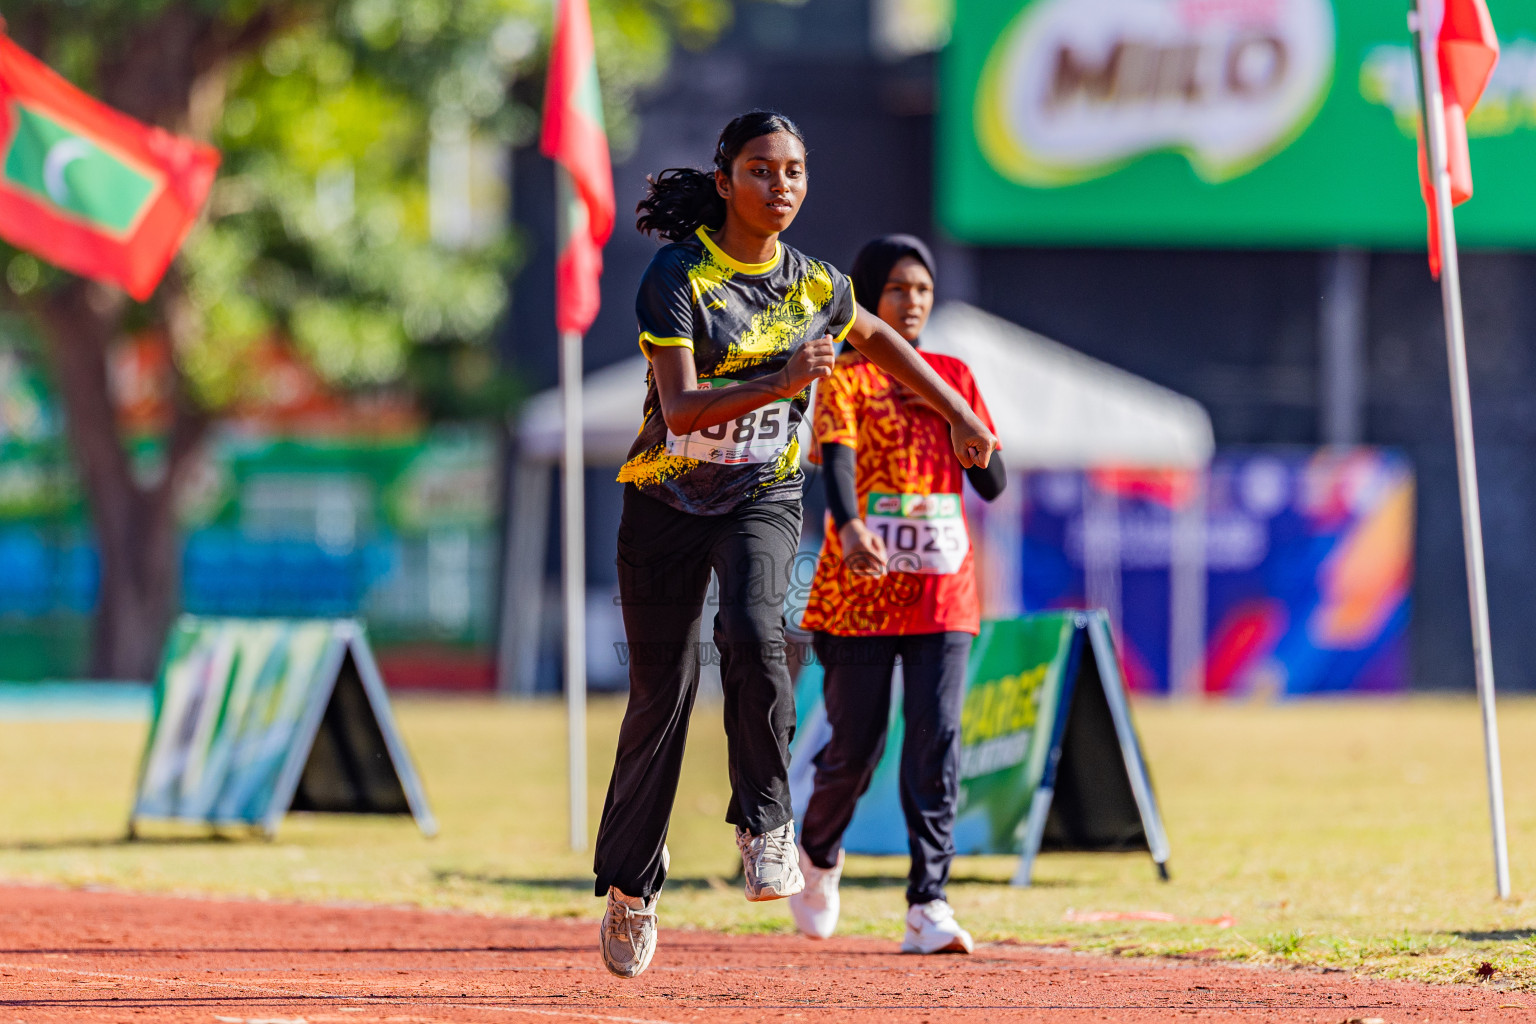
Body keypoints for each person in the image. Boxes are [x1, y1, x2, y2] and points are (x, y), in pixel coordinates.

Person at [594, 114, 998, 979]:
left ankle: (767, 824)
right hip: (664, 500)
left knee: (754, 632)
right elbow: (682, 410)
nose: (781, 185)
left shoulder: (817, 283)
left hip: (763, 495)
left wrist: (957, 410)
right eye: (761, 169)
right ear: (727, 178)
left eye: (795, 171)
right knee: (661, 695)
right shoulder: (679, 276)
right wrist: (779, 379)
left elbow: (882, 342)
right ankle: (632, 889)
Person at [790, 234, 1007, 954]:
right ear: (868, 298)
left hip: (943, 589)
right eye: (896, 291)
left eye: (922, 289)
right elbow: (838, 469)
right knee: (856, 745)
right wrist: (851, 526)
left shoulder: (952, 376)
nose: (912, 301)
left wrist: (954, 416)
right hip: (862, 589)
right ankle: (818, 856)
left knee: (937, 739)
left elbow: (991, 483)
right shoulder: (847, 378)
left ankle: (929, 902)